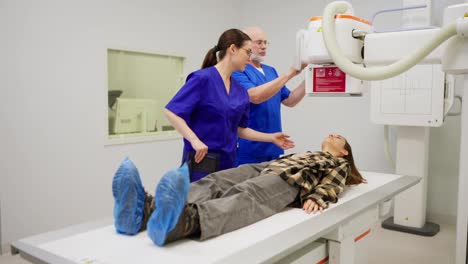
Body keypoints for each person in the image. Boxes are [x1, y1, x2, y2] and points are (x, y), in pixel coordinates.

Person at [111, 134, 366, 246]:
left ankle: (182, 221)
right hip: (267, 166)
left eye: (339, 137)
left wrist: (319, 197)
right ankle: (145, 212)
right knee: (217, 180)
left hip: (289, 182)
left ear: (344, 152)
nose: (333, 134)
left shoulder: (339, 163)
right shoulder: (308, 152)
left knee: (246, 196)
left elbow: (332, 184)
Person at [164, 28, 294, 182]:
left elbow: (240, 129)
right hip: (202, 160)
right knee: (198, 202)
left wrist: (271, 137)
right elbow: (172, 111)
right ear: (232, 49)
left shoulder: (238, 89)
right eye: (247, 52)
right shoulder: (203, 79)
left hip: (228, 160)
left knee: (224, 203)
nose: (249, 57)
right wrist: (194, 140)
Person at [232, 26, 307, 166]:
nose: (264, 47)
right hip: (249, 148)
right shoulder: (238, 71)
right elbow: (254, 96)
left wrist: (310, 79)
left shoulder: (271, 71)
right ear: (245, 44)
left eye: (266, 43)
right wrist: (290, 73)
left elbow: (289, 100)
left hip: (274, 145)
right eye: (259, 42)